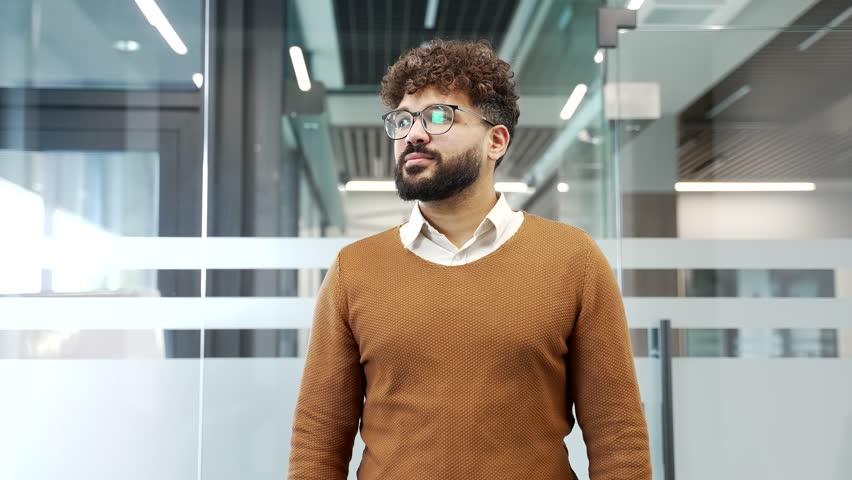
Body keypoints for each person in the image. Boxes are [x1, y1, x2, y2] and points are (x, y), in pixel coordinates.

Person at [288, 39, 651, 480]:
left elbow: (619, 439)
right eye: (402, 120)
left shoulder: (573, 261)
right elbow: (318, 444)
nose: (413, 134)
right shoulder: (354, 270)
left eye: (438, 116)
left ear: (496, 141)